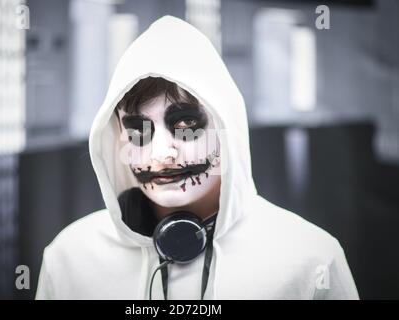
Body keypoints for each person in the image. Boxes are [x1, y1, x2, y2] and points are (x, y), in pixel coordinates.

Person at [36, 15, 359, 299]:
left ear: (226, 128)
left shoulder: (311, 257)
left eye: (187, 125)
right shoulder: (70, 257)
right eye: (139, 131)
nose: (162, 154)